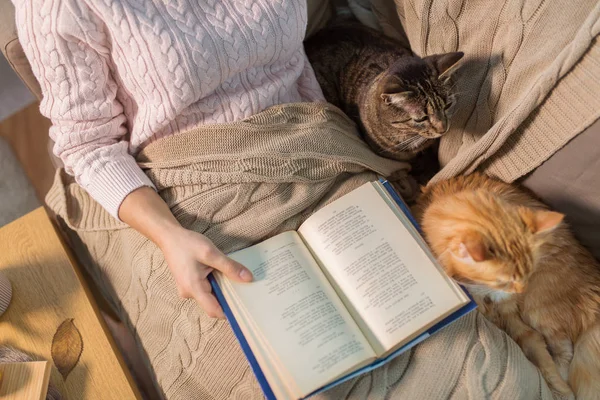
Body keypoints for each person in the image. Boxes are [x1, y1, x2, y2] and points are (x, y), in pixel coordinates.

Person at [15, 0, 326, 318]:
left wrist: (330, 131)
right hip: (188, 190)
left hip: (316, 148)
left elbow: (288, 54)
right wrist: (169, 236)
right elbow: (88, 144)